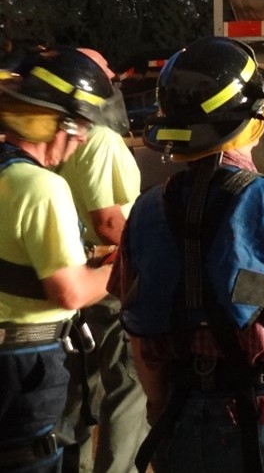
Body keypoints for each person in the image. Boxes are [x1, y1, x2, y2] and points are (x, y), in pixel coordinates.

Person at [111, 36, 264, 472]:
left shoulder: (144, 214)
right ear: (255, 120)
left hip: (182, 412)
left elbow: (141, 336)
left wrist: (159, 407)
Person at [0, 47, 117, 472]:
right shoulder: (40, 187)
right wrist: (124, 264)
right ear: (59, 123)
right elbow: (71, 291)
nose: (85, 137)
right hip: (23, 365)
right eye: (82, 124)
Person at [56, 49, 147, 473]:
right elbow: (110, 221)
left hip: (69, 272)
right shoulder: (102, 139)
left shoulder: (56, 136)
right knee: (128, 386)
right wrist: (150, 250)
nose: (114, 74)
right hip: (108, 273)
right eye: (104, 69)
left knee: (78, 387)